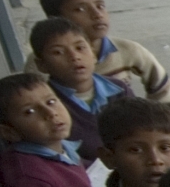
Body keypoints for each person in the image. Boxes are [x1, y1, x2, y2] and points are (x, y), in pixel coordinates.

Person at [34, 0, 170, 149]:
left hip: (130, 132)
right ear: (56, 20)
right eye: (80, 9)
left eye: (100, 6)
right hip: (82, 143)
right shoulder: (42, 70)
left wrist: (160, 128)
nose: (97, 15)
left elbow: (161, 88)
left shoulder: (126, 55)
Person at [30, 15, 130, 164]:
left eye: (80, 48)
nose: (74, 57)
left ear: (94, 54)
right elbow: (60, 153)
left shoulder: (118, 89)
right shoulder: (48, 106)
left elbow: (142, 129)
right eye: (58, 52)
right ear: (41, 65)